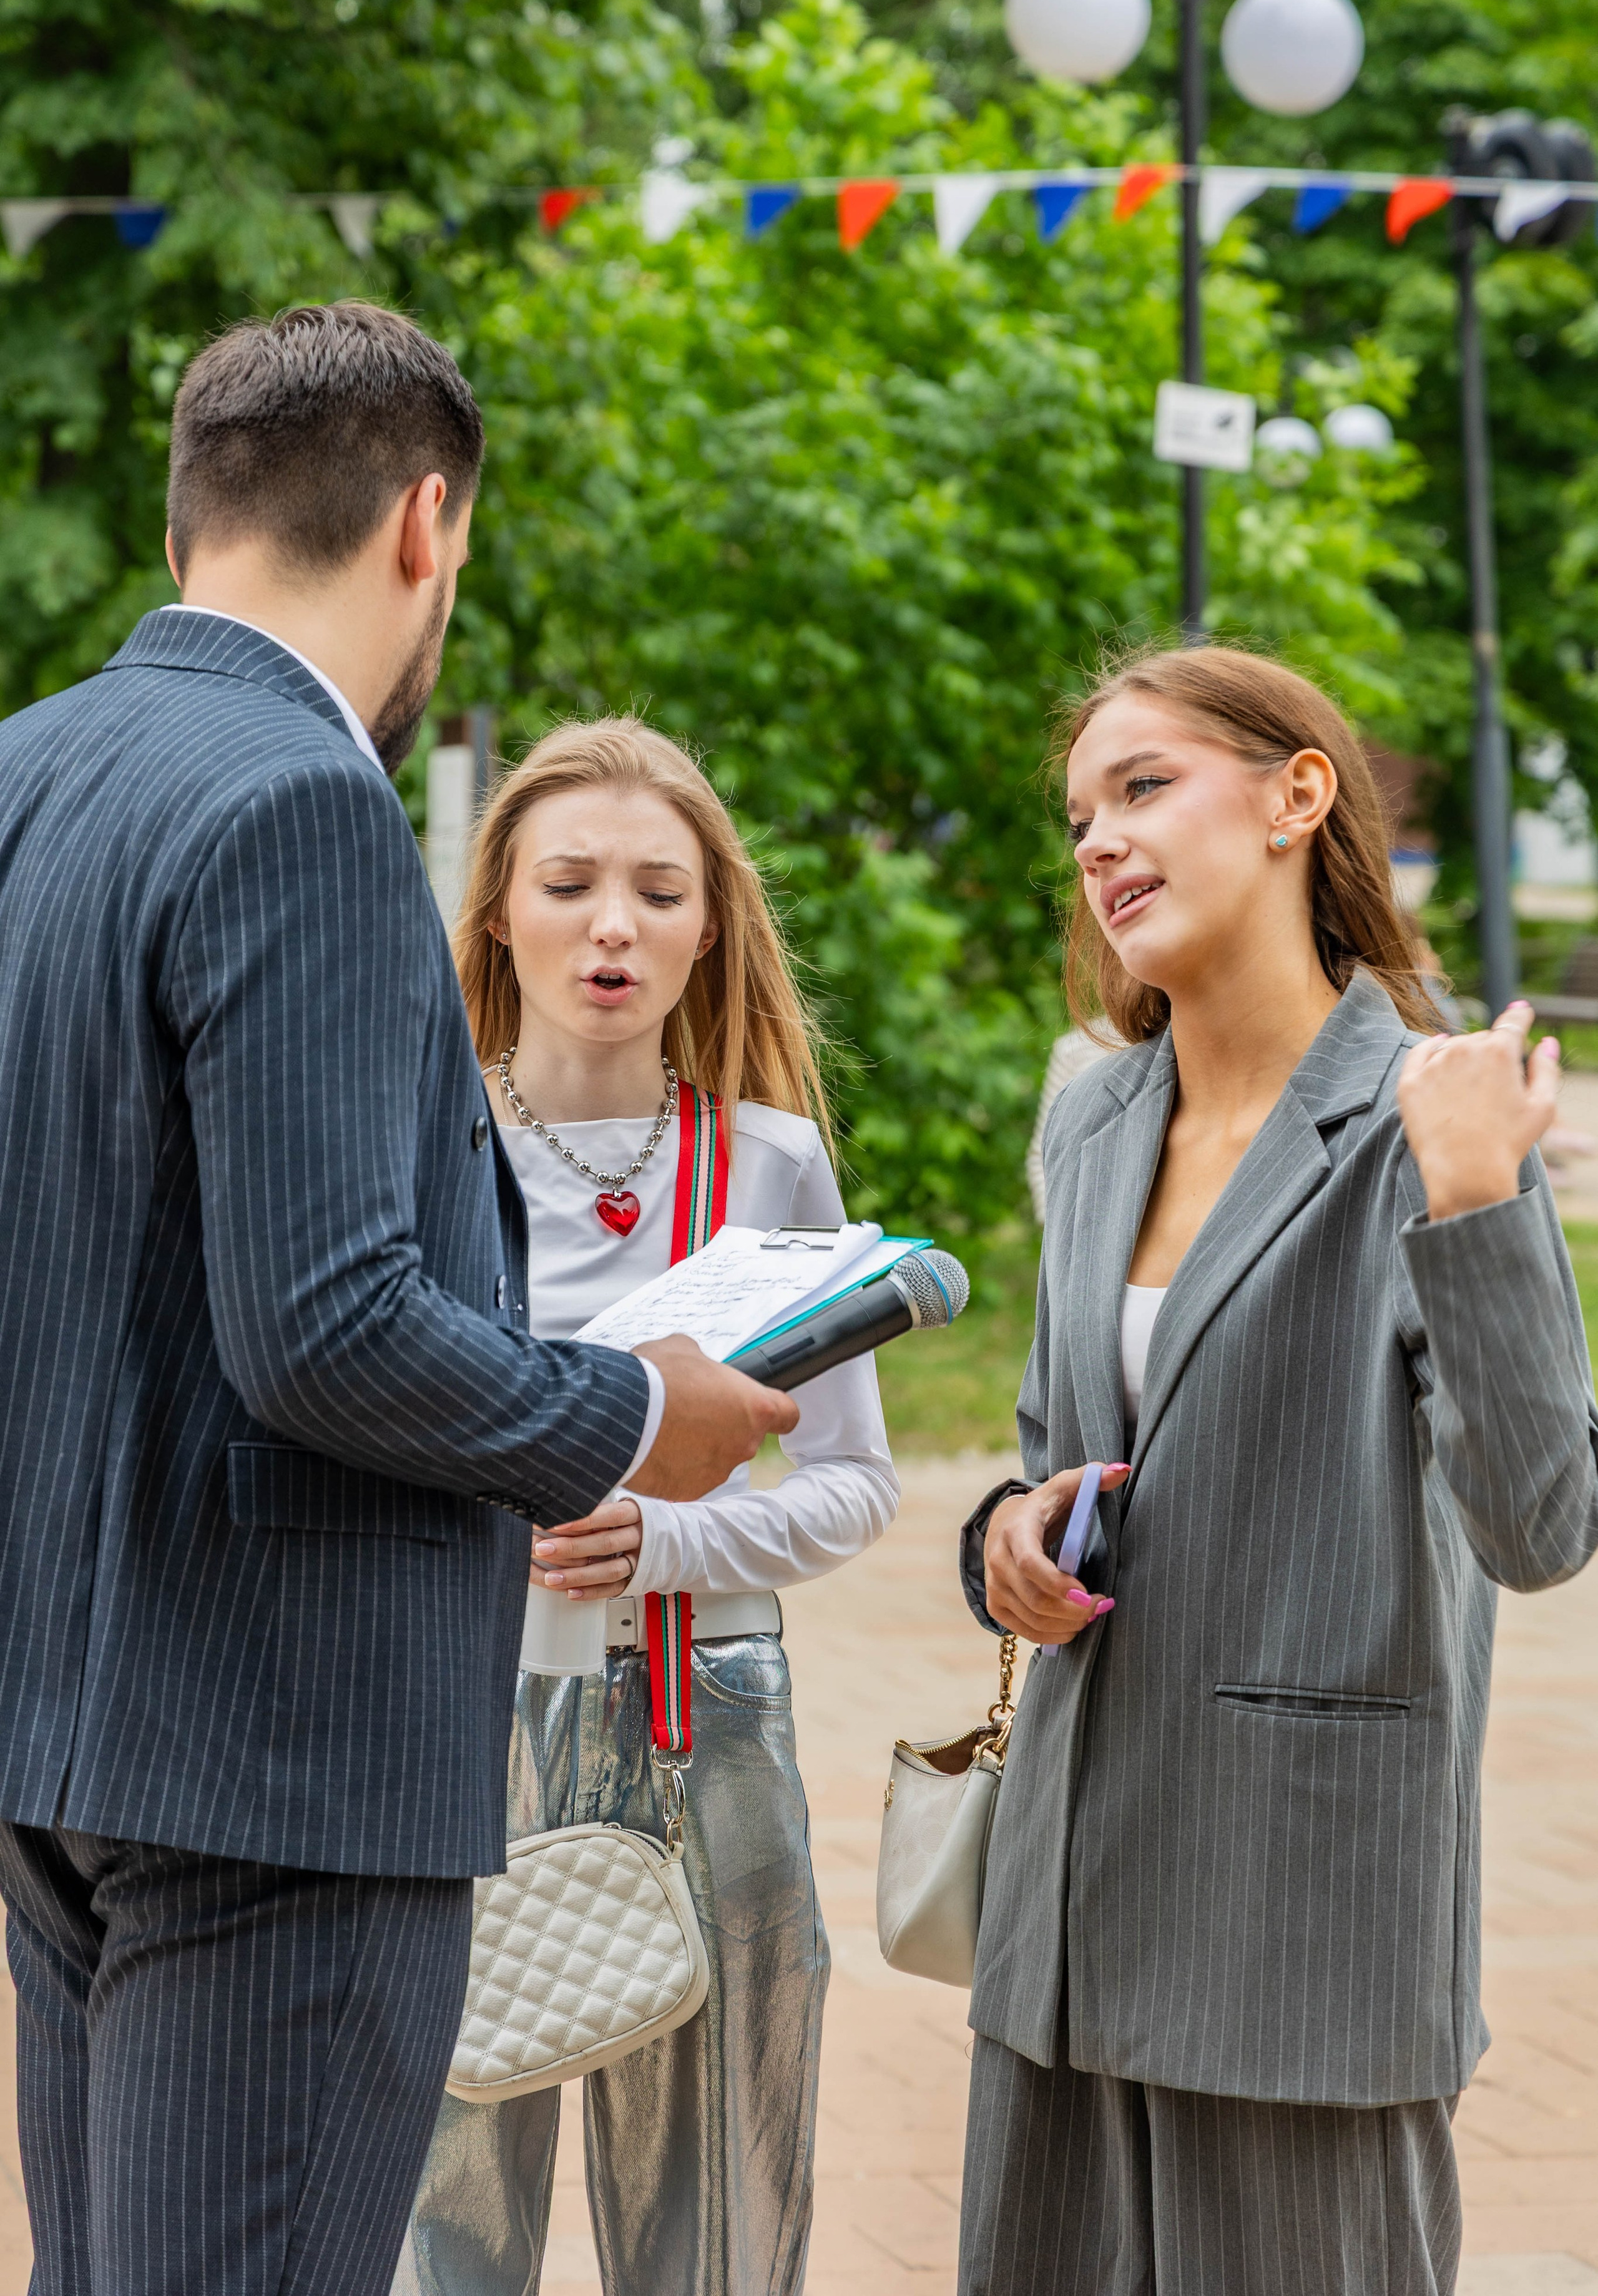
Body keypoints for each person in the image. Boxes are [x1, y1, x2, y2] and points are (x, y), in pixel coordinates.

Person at [0, 303, 796, 2296]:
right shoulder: (304, 799)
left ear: (192, 526)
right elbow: (334, 1322)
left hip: (57, 1725)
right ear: (428, 525)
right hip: (279, 1740)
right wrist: (633, 1415)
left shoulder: (28, 771)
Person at [955, 644, 1598, 2296]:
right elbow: (1056, 1460)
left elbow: (1540, 1528)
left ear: (1297, 797)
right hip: (1066, 1920)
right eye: (1082, 813)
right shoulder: (1095, 1126)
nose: (1099, 840)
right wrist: (1005, 1540)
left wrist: (1477, 1202)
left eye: (1145, 787)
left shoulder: (1430, 1121)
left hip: (1300, 1918)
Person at [394, 717, 898, 2296]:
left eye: (659, 892)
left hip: (706, 1722)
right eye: (569, 884)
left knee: (721, 2214)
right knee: (445, 2201)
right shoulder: (413, 1151)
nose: (612, 926)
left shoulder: (768, 1161)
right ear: (497, 913)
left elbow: (853, 1482)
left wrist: (667, 1538)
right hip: (458, 1724)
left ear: (709, 925)